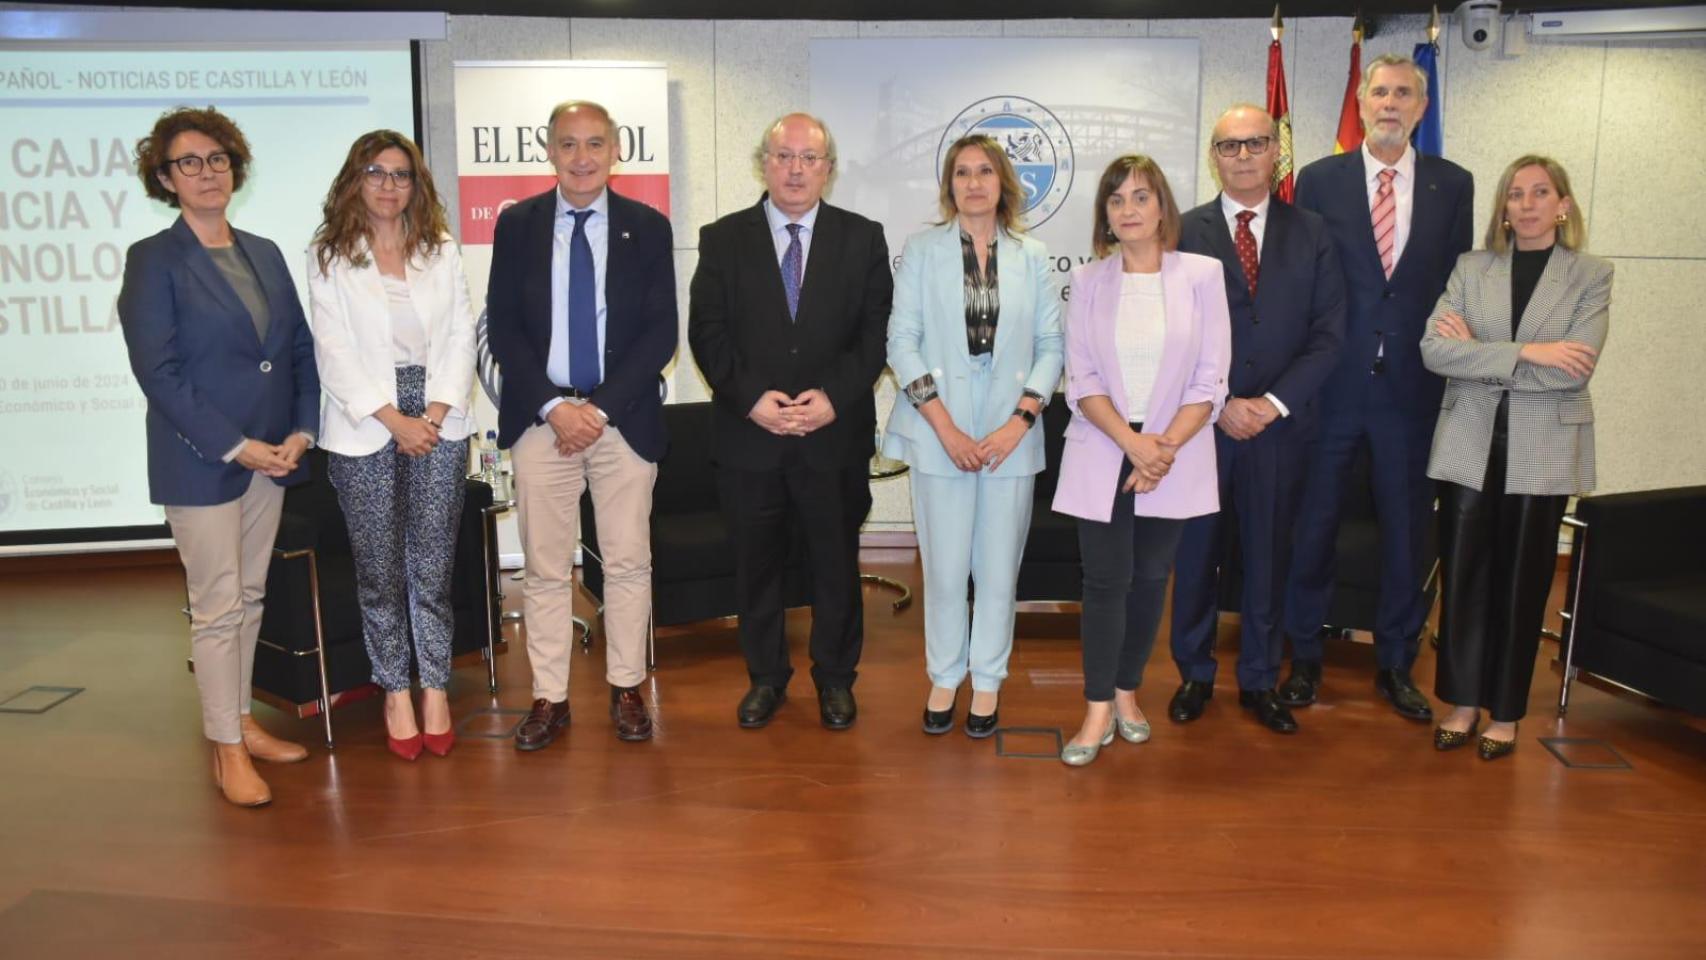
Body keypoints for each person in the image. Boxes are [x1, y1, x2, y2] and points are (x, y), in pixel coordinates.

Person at [118, 106, 319, 807]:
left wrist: (301, 430)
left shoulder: (263, 250)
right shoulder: (153, 260)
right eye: (189, 163)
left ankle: (240, 723)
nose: (207, 173)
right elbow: (159, 372)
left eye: (218, 159)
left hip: (274, 454)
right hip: (203, 459)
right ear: (165, 179)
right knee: (217, 607)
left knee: (252, 596)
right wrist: (238, 445)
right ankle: (226, 749)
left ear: (235, 167)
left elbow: (296, 349)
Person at [1279, 54, 1474, 723]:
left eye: (1405, 94)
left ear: (1422, 107)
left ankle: (1396, 661)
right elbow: (1301, 280)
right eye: (1381, 92)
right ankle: (1303, 655)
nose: (1391, 103)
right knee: (1314, 525)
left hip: (1412, 392)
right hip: (1331, 385)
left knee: (1406, 532)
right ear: (1362, 102)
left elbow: (1457, 286)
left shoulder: (1454, 184)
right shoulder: (1319, 180)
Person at [688, 113, 893, 731]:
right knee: (757, 569)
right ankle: (766, 679)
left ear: (828, 168)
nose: (796, 169)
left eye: (809, 158)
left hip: (834, 436)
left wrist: (833, 396)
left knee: (835, 565)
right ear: (763, 163)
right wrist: (753, 399)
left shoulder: (863, 237)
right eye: (783, 156)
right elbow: (707, 333)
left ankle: (835, 679)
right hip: (751, 438)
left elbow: (875, 335)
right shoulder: (722, 238)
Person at [487, 100, 678, 749]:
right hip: (543, 421)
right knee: (544, 568)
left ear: (616, 151)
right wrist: (553, 408)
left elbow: (661, 333)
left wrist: (595, 411)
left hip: (620, 419)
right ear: (549, 151)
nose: (582, 156)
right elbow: (504, 329)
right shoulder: (517, 226)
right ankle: (550, 697)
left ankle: (626, 687)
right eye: (568, 144)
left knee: (627, 561)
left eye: (595, 143)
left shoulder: (648, 228)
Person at [1421, 156, 1609, 760]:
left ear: (1563, 205)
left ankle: (1505, 713)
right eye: (1514, 195)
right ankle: (1463, 702)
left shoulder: (1591, 274)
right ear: (1502, 208)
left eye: (1540, 193)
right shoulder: (1472, 268)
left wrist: (1482, 351)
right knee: (1466, 577)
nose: (1526, 205)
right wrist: (1534, 351)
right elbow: (1433, 352)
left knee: (1525, 582)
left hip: (1543, 447)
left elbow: (1576, 366)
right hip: (1469, 443)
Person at [1167, 105, 1344, 735]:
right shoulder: (1183, 231)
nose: (1243, 156)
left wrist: (1269, 405)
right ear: (1213, 156)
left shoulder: (1315, 233)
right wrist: (1219, 405)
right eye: (1229, 146)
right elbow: (1172, 335)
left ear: (1277, 153)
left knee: (1271, 556)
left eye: (1255, 144)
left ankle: (1260, 679)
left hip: (1280, 428)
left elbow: (1329, 335)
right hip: (1200, 429)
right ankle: (1193, 672)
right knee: (1195, 556)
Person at [1051, 155, 1231, 766]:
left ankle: (1129, 692)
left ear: (1162, 209)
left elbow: (1211, 379)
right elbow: (1081, 378)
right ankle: (1097, 706)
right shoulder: (1089, 281)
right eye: (1116, 199)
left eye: (1141, 197)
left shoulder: (1202, 276)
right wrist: (1134, 446)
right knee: (1104, 582)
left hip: (1174, 454)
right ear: (1105, 214)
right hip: (1105, 449)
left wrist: (1162, 451)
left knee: (1152, 579)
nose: (1128, 209)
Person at [882, 134, 1064, 737]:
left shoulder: (1032, 255)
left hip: (1011, 430)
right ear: (949, 184)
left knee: (996, 568)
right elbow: (901, 343)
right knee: (944, 565)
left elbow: (1050, 346)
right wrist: (944, 426)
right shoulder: (922, 249)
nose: (974, 182)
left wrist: (1020, 421)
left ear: (1003, 181)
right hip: (940, 428)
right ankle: (943, 674)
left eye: (985, 171)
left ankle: (986, 682)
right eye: (961, 172)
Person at [306, 130, 476, 761]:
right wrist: (393, 420)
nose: (387, 184)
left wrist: (430, 414)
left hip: (439, 416)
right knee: (380, 571)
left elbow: (461, 334)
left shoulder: (442, 250)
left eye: (401, 174)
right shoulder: (329, 255)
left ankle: (434, 685)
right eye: (375, 172)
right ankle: (394, 689)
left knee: (431, 568)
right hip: (364, 423)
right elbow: (334, 352)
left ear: (416, 185)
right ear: (356, 179)